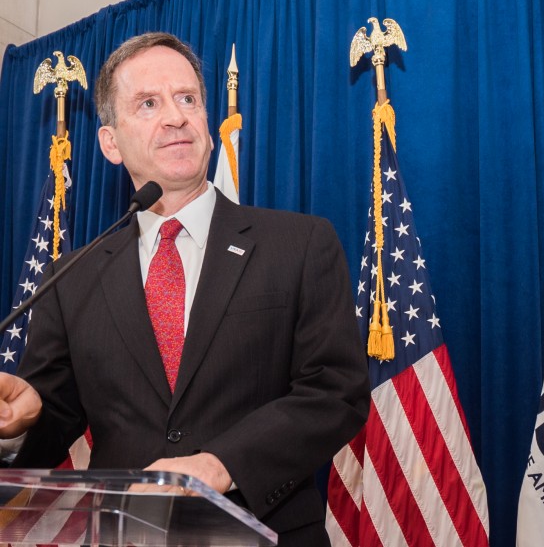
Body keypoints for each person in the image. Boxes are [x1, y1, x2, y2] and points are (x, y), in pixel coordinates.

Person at [0, 32, 370, 546]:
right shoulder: (74, 275)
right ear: (110, 143)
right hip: (125, 534)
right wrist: (26, 416)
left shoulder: (300, 244)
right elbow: (57, 414)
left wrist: (220, 465)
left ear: (208, 125)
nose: (175, 117)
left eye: (188, 98)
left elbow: (336, 392)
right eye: (148, 103)